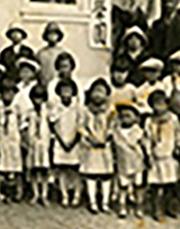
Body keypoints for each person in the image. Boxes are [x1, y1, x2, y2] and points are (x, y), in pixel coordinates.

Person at [145, 88, 180, 221]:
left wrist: (178, 147)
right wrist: (148, 154)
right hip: (156, 156)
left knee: (170, 185)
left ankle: (169, 207)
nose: (159, 107)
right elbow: (147, 138)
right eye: (156, 104)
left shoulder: (173, 119)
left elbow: (178, 134)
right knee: (156, 185)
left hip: (169, 155)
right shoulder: (149, 121)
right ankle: (156, 209)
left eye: (162, 104)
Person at [79, 77, 115, 214]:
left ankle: (105, 202)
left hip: (105, 146)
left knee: (106, 175)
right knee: (91, 175)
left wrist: (106, 138)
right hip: (90, 146)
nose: (98, 95)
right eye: (96, 91)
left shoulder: (110, 111)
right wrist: (89, 138)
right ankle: (92, 202)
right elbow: (81, 127)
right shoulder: (86, 110)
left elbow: (113, 126)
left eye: (102, 91)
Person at [49, 78, 82, 207]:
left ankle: (76, 195)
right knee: (62, 169)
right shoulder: (56, 107)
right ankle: (64, 195)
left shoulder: (78, 107)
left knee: (75, 170)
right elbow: (54, 124)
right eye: (63, 90)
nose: (66, 93)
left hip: (75, 141)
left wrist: (73, 141)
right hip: (61, 141)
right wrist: (62, 140)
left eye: (68, 90)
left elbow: (81, 125)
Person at [112, 101, 147, 219]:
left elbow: (145, 146)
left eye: (128, 116)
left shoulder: (138, 131)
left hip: (137, 162)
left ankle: (139, 206)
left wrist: (147, 157)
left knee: (138, 185)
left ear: (136, 118)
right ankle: (122, 206)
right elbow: (114, 146)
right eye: (122, 116)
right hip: (122, 163)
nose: (125, 119)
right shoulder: (116, 131)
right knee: (123, 185)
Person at [23, 83, 52, 205]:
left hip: (44, 143)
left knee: (44, 170)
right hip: (33, 143)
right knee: (34, 169)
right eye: (35, 98)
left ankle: (44, 194)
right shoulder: (29, 112)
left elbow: (53, 124)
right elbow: (24, 126)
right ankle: (35, 193)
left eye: (40, 98)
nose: (37, 101)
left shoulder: (48, 112)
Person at [0, 78, 24, 202]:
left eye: (10, 93)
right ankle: (1, 191)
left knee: (16, 165)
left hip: (14, 138)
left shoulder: (17, 107)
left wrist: (23, 138)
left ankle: (18, 192)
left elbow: (22, 123)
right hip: (3, 138)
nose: (7, 95)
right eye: (5, 93)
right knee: (3, 165)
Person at [36, 22, 66, 86]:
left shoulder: (62, 52)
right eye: (50, 34)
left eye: (55, 34)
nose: (52, 37)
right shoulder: (41, 53)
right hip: (44, 84)